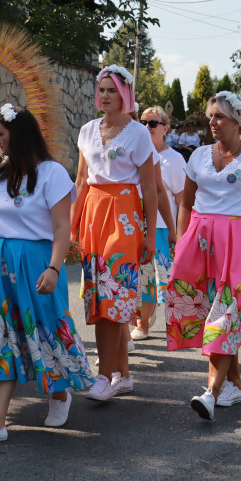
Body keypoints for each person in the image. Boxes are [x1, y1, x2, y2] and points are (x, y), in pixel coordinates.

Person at [0, 105, 94, 442]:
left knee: (47, 328)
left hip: (36, 263)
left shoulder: (53, 174)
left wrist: (54, 267)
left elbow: (62, 226)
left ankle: (60, 393)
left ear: (18, 136)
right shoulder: (3, 174)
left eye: (1, 136)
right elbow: (1, 217)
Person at [166, 91, 241, 421]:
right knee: (207, 310)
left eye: (219, 117)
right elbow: (185, 203)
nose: (212, 122)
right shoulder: (198, 156)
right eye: (211, 116)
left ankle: (211, 393)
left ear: (239, 123)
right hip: (199, 240)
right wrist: (180, 243)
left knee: (226, 314)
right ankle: (234, 385)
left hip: (239, 243)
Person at [71, 64, 156, 401]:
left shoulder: (139, 133)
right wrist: (72, 228)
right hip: (92, 213)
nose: (104, 96)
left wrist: (150, 236)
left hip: (124, 216)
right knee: (108, 299)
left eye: (111, 90)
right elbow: (80, 181)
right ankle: (124, 375)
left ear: (125, 94)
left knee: (112, 296)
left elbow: (150, 188)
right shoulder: (86, 129)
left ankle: (104, 375)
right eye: (101, 90)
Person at [134, 106, 185, 341]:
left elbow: (182, 199)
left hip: (162, 228)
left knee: (156, 279)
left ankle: (145, 323)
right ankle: (141, 323)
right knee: (141, 278)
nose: (147, 127)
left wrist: (181, 232)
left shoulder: (173, 159)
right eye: (143, 122)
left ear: (165, 128)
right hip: (135, 226)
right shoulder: (134, 151)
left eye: (153, 123)